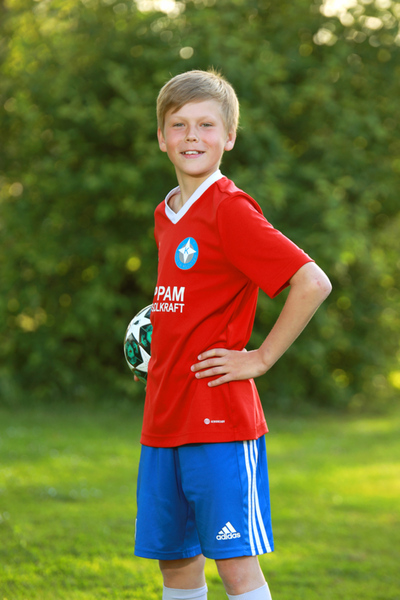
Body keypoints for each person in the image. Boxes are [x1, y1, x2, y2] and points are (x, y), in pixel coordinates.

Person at [133, 69, 332, 600]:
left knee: (235, 565)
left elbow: (312, 282)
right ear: (161, 137)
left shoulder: (229, 209)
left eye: (206, 125)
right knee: (176, 565)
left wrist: (260, 358)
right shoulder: (167, 212)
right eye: (179, 124)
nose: (192, 136)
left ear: (230, 137)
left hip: (218, 417)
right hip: (164, 413)